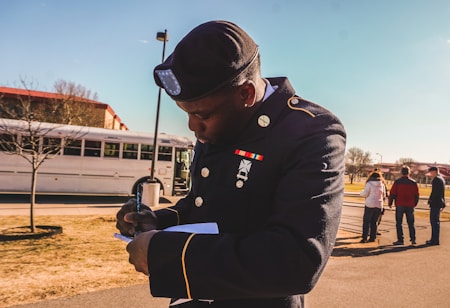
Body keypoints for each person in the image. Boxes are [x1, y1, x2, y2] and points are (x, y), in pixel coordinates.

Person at [115, 20, 346, 307]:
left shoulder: (312, 132)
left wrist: (164, 253)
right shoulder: (224, 120)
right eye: (186, 113)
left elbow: (295, 261)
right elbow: (205, 205)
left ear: (246, 94)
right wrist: (157, 222)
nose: (192, 126)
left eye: (201, 114)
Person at [388, 166, 419, 245]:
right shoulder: (413, 183)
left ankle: (400, 239)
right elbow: (416, 195)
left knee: (399, 223)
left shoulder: (397, 182)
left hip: (400, 204)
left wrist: (390, 202)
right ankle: (413, 239)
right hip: (410, 204)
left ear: (401, 173)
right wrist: (414, 203)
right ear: (409, 173)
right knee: (411, 223)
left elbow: (392, 193)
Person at [359, 172, 385, 243]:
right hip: (379, 204)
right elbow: (384, 195)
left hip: (370, 204)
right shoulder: (382, 184)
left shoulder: (369, 184)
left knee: (366, 222)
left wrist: (361, 192)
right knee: (374, 222)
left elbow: (365, 194)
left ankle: (364, 237)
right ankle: (372, 237)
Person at [426, 166, 445, 245]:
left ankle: (434, 240)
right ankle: (434, 239)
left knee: (434, 221)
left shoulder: (436, 180)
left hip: (435, 202)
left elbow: (434, 192)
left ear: (434, 171)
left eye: (431, 172)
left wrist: (430, 200)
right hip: (439, 202)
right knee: (436, 221)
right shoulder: (441, 179)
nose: (430, 174)